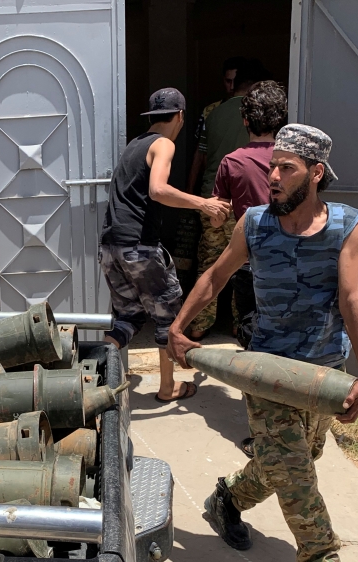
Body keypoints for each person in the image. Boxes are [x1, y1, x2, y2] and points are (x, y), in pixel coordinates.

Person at [167, 124, 358, 561]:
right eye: (272, 167)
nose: (274, 177)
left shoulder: (346, 225)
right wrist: (179, 327)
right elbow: (216, 276)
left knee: (296, 456)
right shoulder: (255, 223)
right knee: (295, 474)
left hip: (323, 369)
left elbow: (352, 297)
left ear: (316, 173)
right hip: (267, 370)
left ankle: (228, 497)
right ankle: (320, 552)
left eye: (287, 168)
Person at [101, 87, 231, 402]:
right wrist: (203, 203)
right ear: (180, 116)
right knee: (168, 317)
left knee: (129, 318)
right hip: (139, 246)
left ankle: (91, 375)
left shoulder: (134, 144)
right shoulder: (163, 144)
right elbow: (158, 190)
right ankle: (168, 387)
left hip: (111, 246)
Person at [188, 61, 267, 340]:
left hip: (211, 198)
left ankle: (199, 324)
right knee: (243, 264)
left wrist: (192, 192)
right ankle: (238, 323)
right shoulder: (257, 115)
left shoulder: (212, 113)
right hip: (242, 200)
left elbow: (200, 154)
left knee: (209, 262)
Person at [212, 79, 288, 349]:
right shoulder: (293, 162)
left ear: (245, 120)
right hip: (289, 258)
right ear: (280, 120)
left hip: (249, 260)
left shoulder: (232, 162)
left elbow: (216, 219)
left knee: (251, 328)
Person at [186, 56, 246, 195]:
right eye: (228, 81)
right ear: (222, 80)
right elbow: (200, 152)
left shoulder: (253, 110)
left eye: (235, 82)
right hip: (214, 184)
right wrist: (190, 188)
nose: (232, 87)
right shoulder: (210, 111)